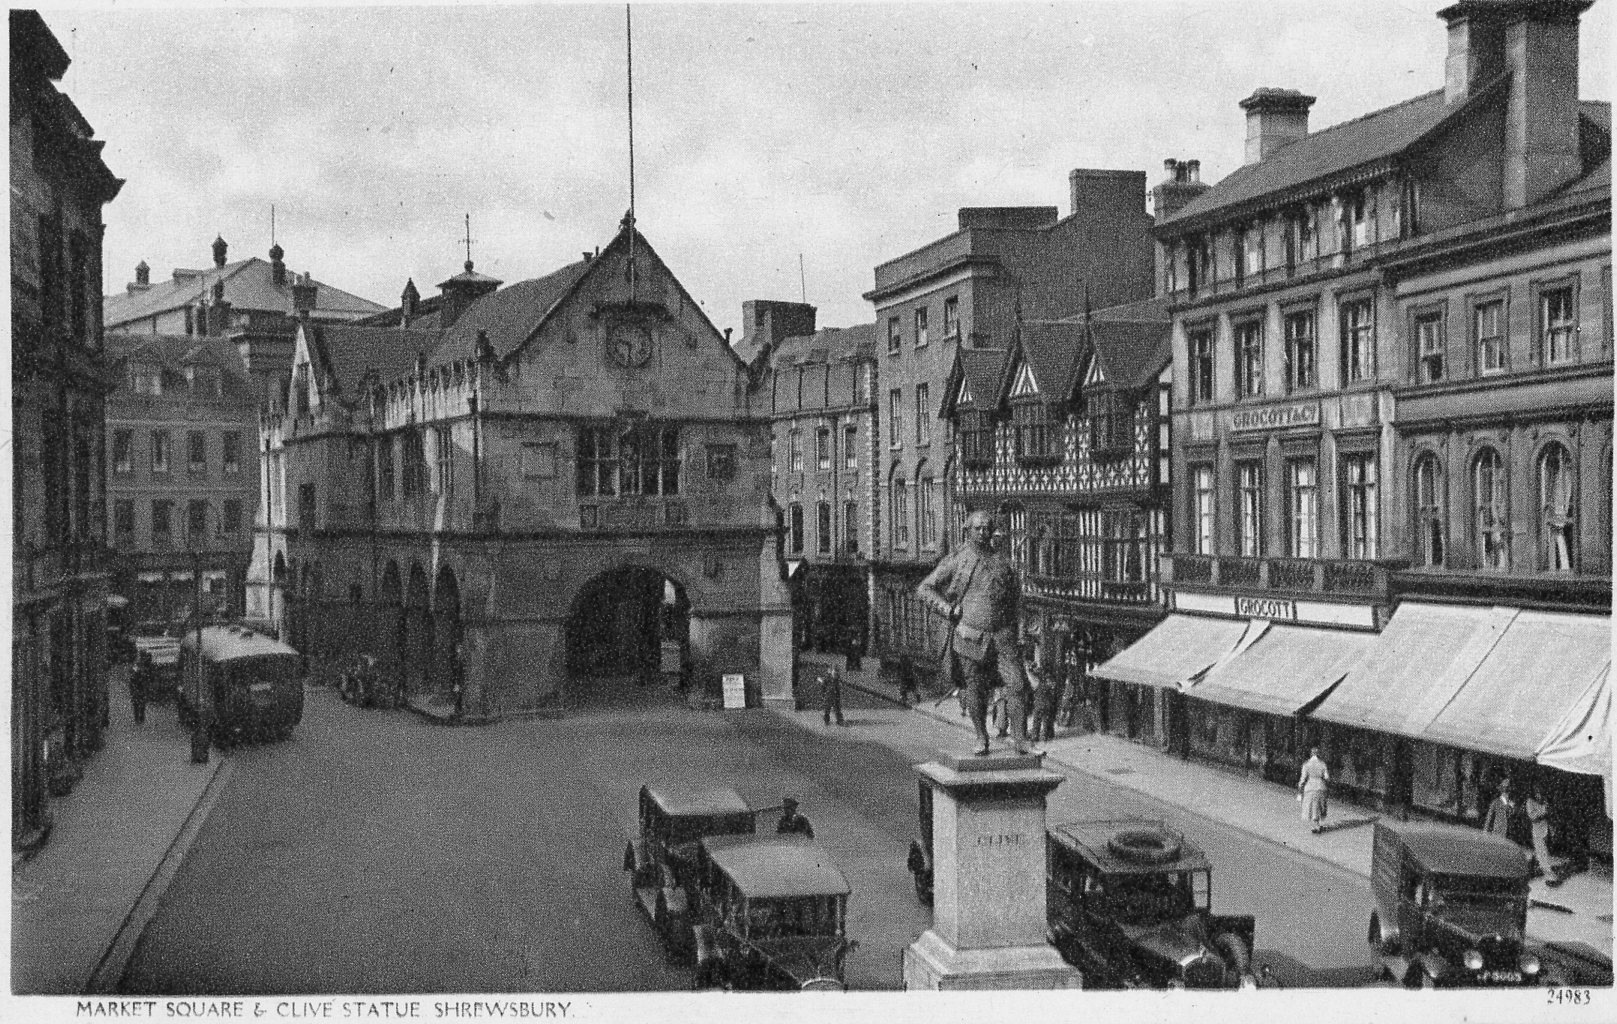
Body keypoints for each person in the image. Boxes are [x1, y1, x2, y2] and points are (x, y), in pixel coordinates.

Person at [916, 510, 1039, 756]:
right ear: (968, 530)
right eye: (978, 528)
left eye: (986, 528)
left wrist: (1022, 633)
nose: (983, 533)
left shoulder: (1003, 562)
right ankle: (981, 737)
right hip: (970, 637)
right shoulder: (958, 560)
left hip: (1003, 637)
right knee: (976, 688)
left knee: (1016, 684)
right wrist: (948, 610)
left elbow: (1017, 601)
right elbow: (924, 589)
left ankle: (1020, 739)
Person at [1484, 778, 1532, 852]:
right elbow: (1489, 817)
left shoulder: (1511, 803)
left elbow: (1515, 814)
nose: (1507, 792)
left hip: (1507, 830)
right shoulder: (1496, 802)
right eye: (1505, 789)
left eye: (1507, 789)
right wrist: (1486, 831)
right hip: (1498, 828)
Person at [1524, 786, 1559, 883]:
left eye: (1541, 792)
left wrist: (1552, 828)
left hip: (1545, 829)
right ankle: (1548, 873)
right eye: (1537, 792)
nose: (1539, 794)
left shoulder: (1544, 801)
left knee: (1543, 851)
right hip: (1537, 830)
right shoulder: (1530, 802)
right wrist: (1543, 812)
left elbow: (1549, 815)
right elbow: (1533, 817)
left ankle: (1536, 867)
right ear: (1534, 792)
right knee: (1541, 850)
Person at [1027, 648, 1062, 743]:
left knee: (1037, 721)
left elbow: (1032, 677)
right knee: (1046, 720)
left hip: (1039, 702)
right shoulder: (1050, 679)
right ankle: (1046, 736)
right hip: (1048, 703)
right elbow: (1053, 687)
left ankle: (1035, 737)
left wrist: (1029, 669)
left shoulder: (1038, 680)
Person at [1298, 747, 1329, 834]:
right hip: (1321, 786)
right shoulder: (1322, 764)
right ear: (1318, 754)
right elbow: (1327, 777)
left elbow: (1303, 779)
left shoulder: (1306, 764)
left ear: (1311, 754)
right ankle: (1317, 825)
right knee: (1319, 806)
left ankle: (1314, 826)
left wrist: (1300, 790)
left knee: (1311, 807)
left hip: (1310, 787)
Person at [128, 651, 152, 725]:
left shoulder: (142, 666)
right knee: (139, 704)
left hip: (139, 687)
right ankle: (139, 718)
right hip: (139, 687)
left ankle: (139, 718)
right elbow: (134, 677)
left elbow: (133, 677)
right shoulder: (140, 666)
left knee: (139, 704)